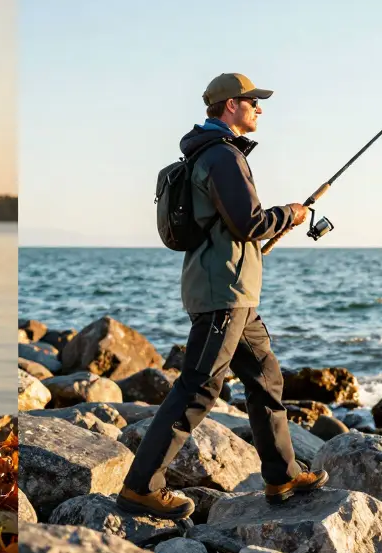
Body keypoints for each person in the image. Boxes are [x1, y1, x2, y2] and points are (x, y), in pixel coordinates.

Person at [116, 73, 328, 519]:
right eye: (253, 101)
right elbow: (249, 223)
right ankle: (141, 487)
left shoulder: (209, 154)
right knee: (199, 386)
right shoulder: (222, 156)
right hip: (223, 293)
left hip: (233, 292)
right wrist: (292, 213)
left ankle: (282, 474)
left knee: (266, 376)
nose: (260, 108)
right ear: (230, 105)